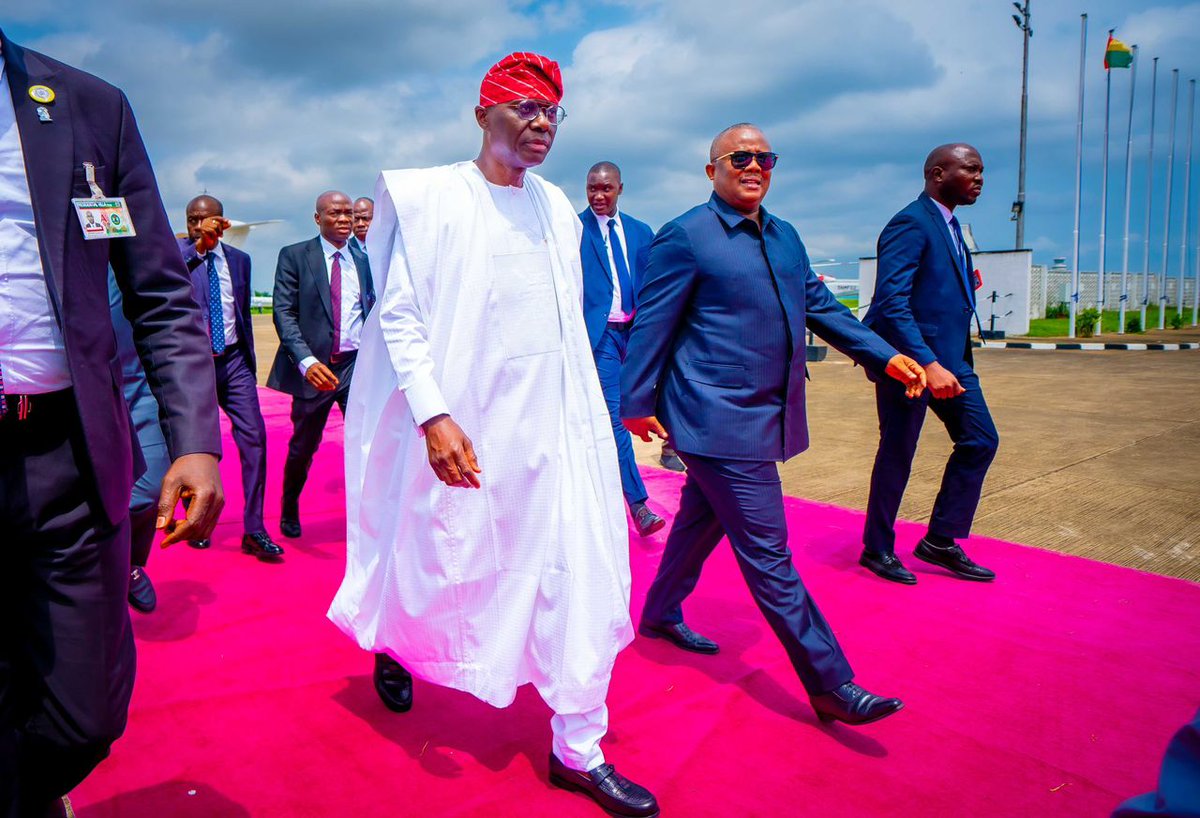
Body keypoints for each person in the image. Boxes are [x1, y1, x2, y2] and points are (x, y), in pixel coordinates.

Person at [328, 53, 657, 818]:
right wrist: (435, 415)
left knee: (581, 570)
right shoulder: (434, 195)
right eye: (525, 109)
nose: (541, 124)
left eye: (552, 113)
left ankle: (580, 746)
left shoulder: (551, 205)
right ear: (484, 116)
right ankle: (395, 642)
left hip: (556, 427)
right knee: (437, 559)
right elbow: (402, 316)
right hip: (467, 424)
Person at [622, 123, 925, 727]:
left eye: (765, 157)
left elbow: (823, 307)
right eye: (740, 156)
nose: (754, 165)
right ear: (713, 169)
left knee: (698, 523)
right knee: (769, 553)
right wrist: (635, 400)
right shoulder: (685, 236)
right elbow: (651, 322)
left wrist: (883, 354)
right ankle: (831, 682)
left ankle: (658, 613)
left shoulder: (785, 237)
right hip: (714, 416)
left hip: (767, 412)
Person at [0, 29, 223, 817]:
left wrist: (196, 440)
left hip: (68, 453)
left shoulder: (90, 108)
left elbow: (161, 296)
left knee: (84, 717)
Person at [859, 143, 999, 585]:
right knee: (899, 451)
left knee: (980, 440)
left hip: (953, 361)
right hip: (910, 363)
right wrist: (927, 362)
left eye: (981, 171)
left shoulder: (954, 228)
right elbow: (891, 303)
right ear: (938, 174)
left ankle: (939, 540)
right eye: (970, 169)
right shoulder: (911, 223)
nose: (979, 178)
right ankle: (877, 548)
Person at [178, 195, 282, 559]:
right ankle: (199, 520)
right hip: (193, 366)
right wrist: (197, 248)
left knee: (255, 439)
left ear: (222, 223)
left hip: (234, 362)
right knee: (199, 446)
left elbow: (239, 310)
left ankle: (254, 529)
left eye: (206, 220)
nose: (198, 226)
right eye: (192, 220)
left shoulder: (240, 261)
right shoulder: (176, 256)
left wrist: (250, 364)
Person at [267, 190, 375, 539]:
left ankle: (368, 514)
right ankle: (289, 506)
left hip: (355, 366)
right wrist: (306, 360)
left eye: (349, 214)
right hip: (315, 370)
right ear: (318, 218)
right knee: (304, 445)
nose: (345, 220)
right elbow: (284, 313)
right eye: (335, 213)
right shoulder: (295, 256)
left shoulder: (365, 260)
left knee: (366, 443)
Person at [579, 161, 665, 537]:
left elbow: (655, 285)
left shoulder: (641, 232)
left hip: (638, 333)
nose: (598, 196)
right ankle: (638, 504)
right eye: (592, 190)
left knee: (664, 400)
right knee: (614, 419)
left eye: (606, 189)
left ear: (620, 189)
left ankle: (679, 456)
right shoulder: (573, 231)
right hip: (601, 338)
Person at [108, 270, 170, 614]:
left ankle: (127, 560)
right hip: (77, 381)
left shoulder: (123, 230)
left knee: (147, 488)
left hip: (138, 383)